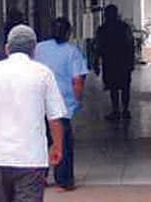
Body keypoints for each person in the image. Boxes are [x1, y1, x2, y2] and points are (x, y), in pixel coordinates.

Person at [0, 24, 67, 202]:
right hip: (31, 159)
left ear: (7, 49)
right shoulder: (43, 74)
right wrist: (57, 146)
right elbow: (55, 117)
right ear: (34, 50)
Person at [34, 17, 88, 191]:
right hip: (62, 105)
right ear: (68, 33)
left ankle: (38, 178)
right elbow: (77, 80)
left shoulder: (39, 48)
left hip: (40, 101)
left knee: (40, 141)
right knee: (63, 141)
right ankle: (64, 180)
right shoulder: (72, 51)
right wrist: (78, 99)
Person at [94, 5, 135, 121]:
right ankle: (124, 110)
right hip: (122, 62)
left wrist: (96, 62)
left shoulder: (103, 29)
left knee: (114, 88)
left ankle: (117, 110)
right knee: (123, 87)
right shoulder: (123, 27)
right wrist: (131, 62)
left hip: (111, 62)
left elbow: (98, 47)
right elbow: (131, 44)